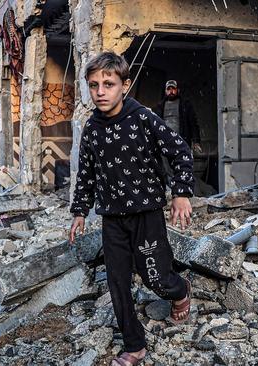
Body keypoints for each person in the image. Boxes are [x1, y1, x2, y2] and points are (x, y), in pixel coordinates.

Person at [70, 52, 194, 366]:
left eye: (108, 84)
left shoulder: (143, 118)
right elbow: (86, 174)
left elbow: (180, 151)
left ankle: (180, 291)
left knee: (155, 277)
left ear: (125, 85)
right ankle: (134, 345)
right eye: (94, 84)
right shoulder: (91, 129)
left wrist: (180, 193)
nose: (100, 91)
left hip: (147, 214)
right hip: (112, 218)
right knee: (117, 283)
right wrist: (80, 211)